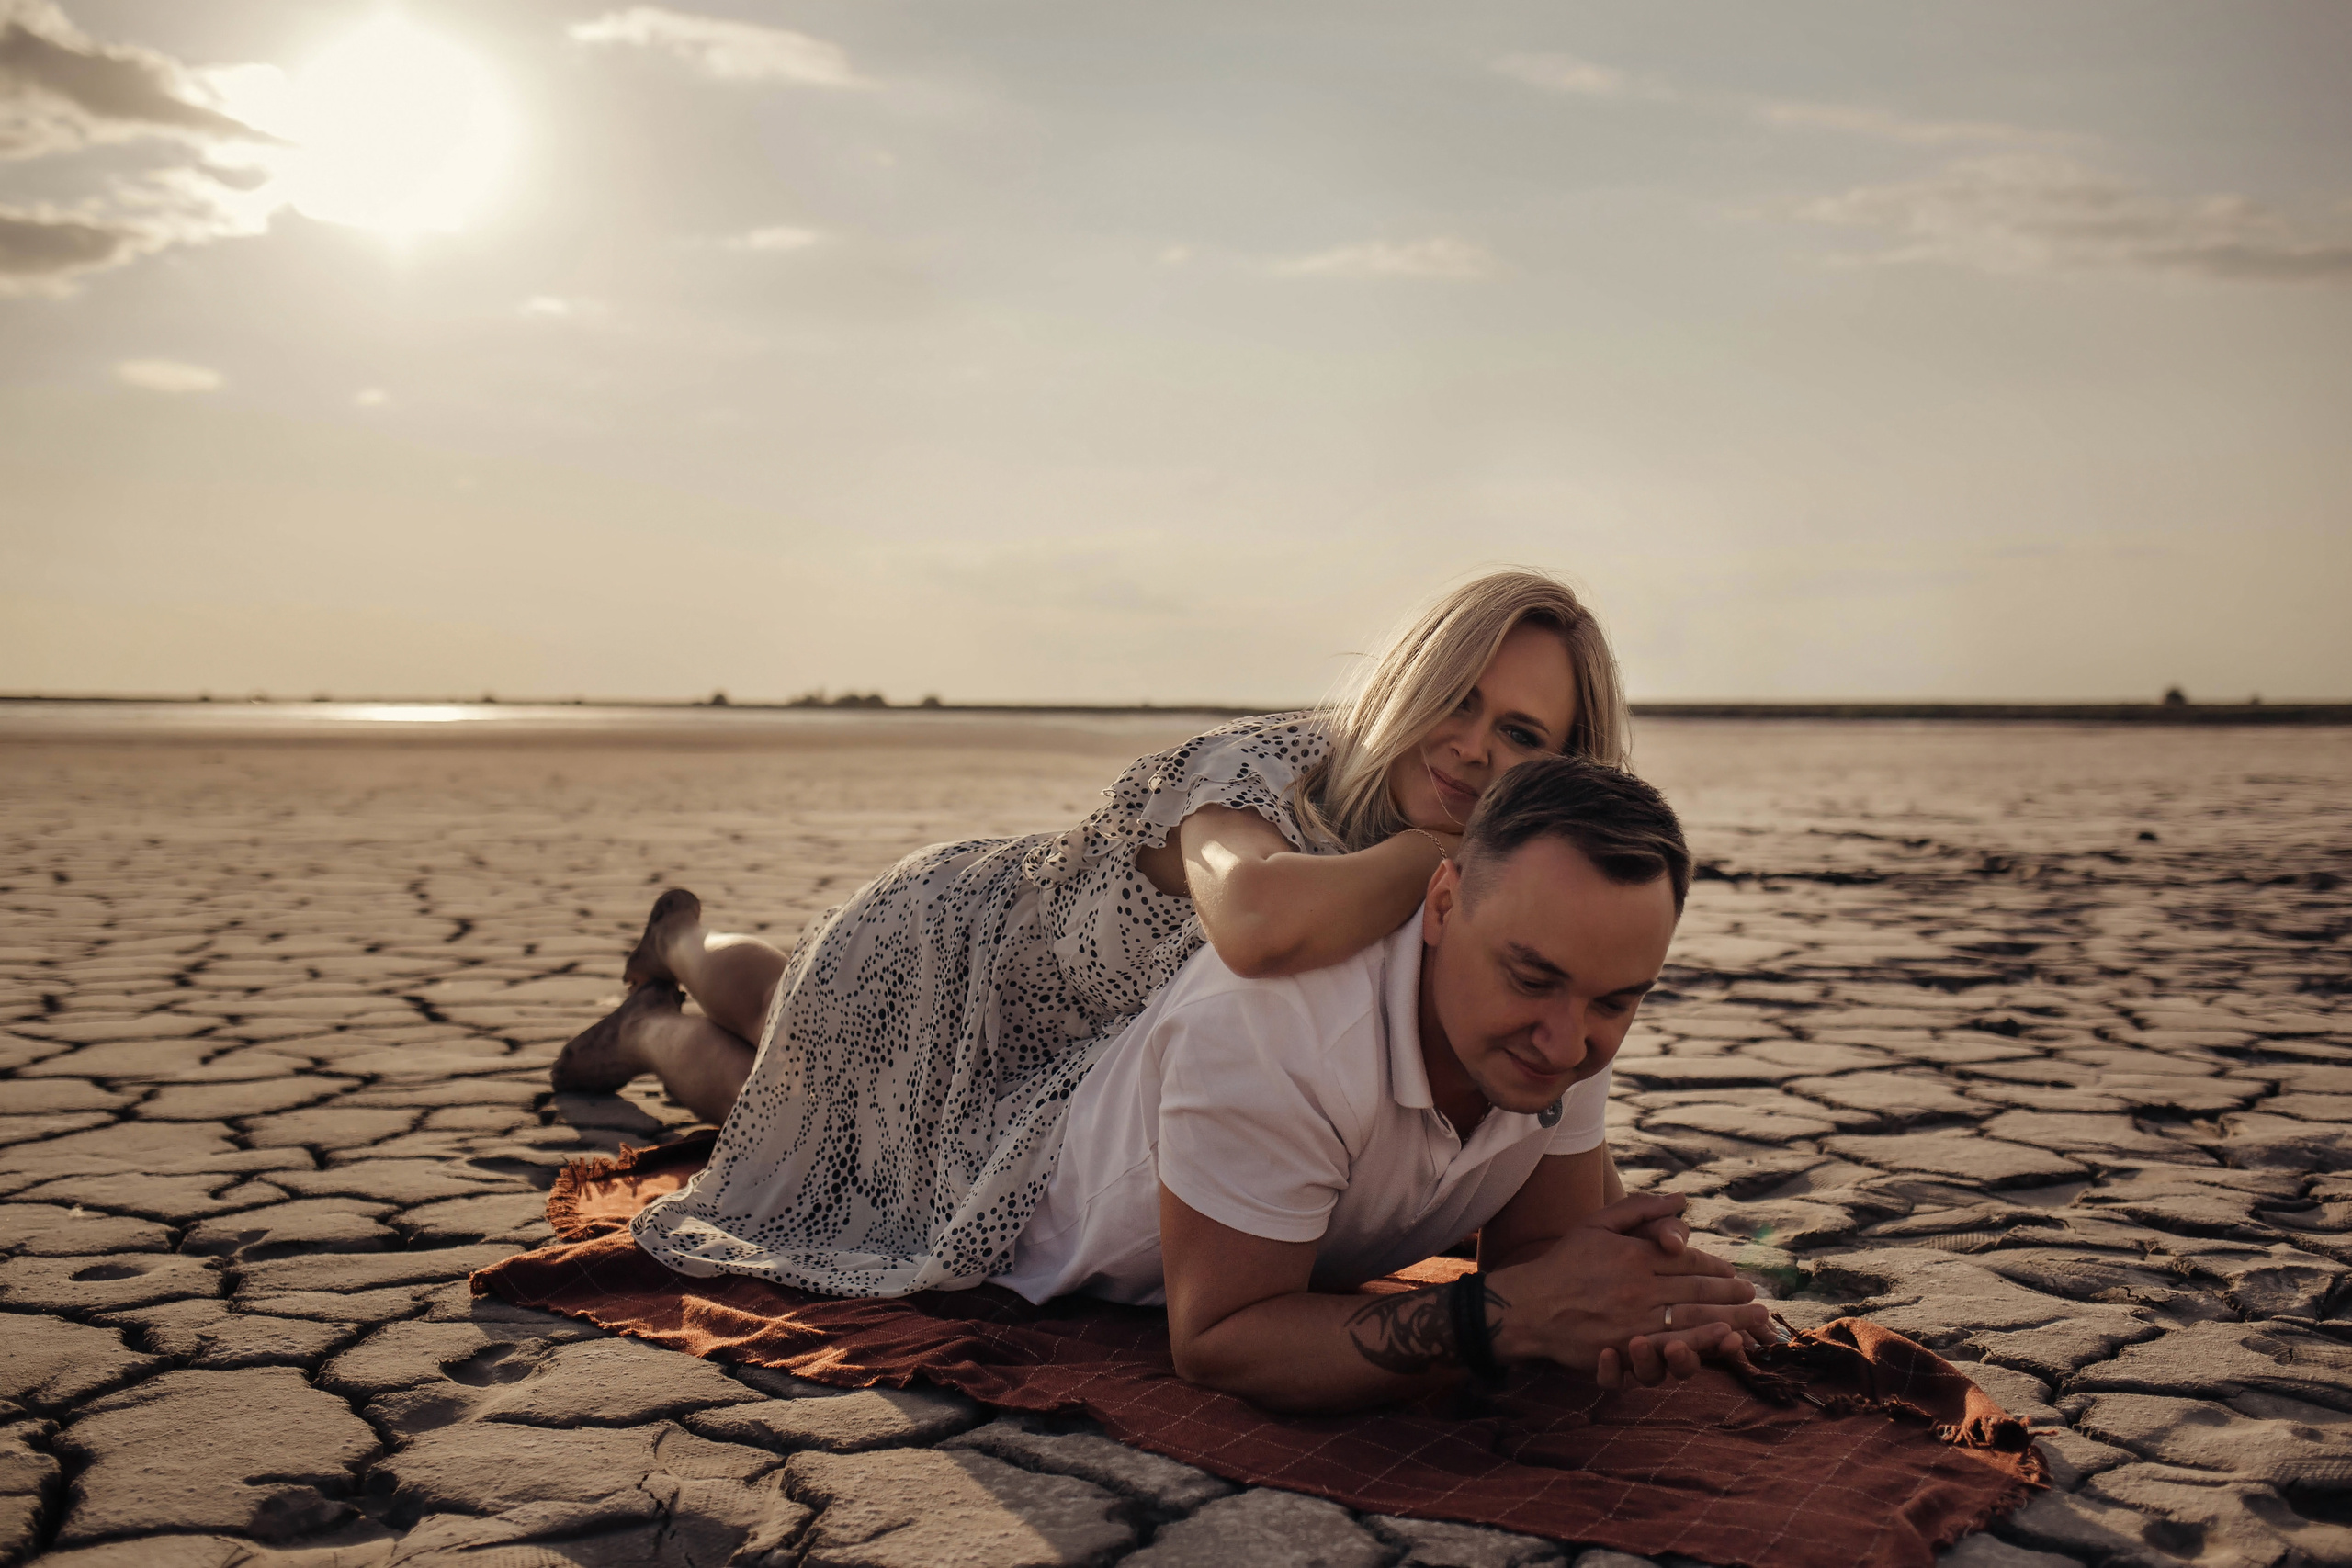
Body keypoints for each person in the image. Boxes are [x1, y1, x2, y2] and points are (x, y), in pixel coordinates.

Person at [556, 570, 1632, 1296]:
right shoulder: (1262, 771)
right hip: (953, 952)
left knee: (802, 1065)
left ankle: (670, 980)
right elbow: (1254, 924)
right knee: (783, 1100)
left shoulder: (1492, 894)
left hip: (1044, 1068)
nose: (1471, 747)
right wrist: (1418, 858)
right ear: (1410, 682)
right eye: (1457, 699)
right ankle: (666, 988)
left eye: (1521, 734)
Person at [993, 755, 1767, 1412]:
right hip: (987, 1170)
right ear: (1441, 903)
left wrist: (1634, 1299)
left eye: (1616, 1001)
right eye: (1532, 978)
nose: (1567, 1041)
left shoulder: (1556, 1023)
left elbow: (1540, 1259)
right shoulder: (1277, 1030)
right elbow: (1220, 1342)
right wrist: (1512, 1317)